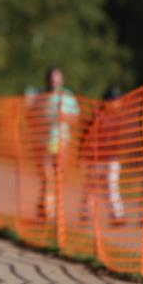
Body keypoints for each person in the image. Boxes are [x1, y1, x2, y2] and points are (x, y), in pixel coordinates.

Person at [34, 67, 79, 221]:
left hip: (61, 141)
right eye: (52, 78)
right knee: (47, 177)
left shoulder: (67, 96)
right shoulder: (40, 97)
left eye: (57, 78)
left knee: (58, 176)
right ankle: (46, 207)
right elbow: (31, 117)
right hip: (43, 141)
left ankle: (49, 208)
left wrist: (63, 116)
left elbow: (75, 117)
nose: (54, 82)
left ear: (61, 80)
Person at [78, 87, 126, 227]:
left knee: (111, 187)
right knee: (90, 187)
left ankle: (117, 215)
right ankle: (85, 213)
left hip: (112, 158)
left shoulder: (121, 116)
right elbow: (86, 135)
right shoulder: (97, 115)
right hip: (96, 158)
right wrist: (82, 154)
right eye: (112, 100)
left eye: (116, 100)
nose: (114, 103)